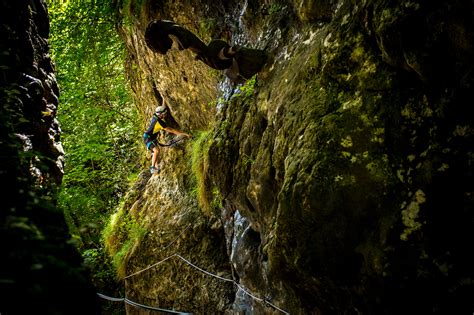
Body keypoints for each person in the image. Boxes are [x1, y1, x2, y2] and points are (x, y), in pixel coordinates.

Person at [144, 20, 267, 84]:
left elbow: (184, 43)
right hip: (211, 55)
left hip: (213, 55)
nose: (172, 47)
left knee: (224, 56)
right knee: (224, 57)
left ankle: (235, 52)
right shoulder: (176, 33)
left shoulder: (178, 36)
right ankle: (233, 52)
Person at [143, 97, 191, 174]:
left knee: (155, 152)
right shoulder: (159, 122)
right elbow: (171, 130)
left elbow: (162, 108)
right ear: (161, 115)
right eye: (164, 114)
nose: (165, 115)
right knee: (156, 151)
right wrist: (183, 134)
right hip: (148, 138)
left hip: (151, 137)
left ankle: (156, 166)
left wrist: (164, 99)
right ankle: (152, 168)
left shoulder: (156, 115)